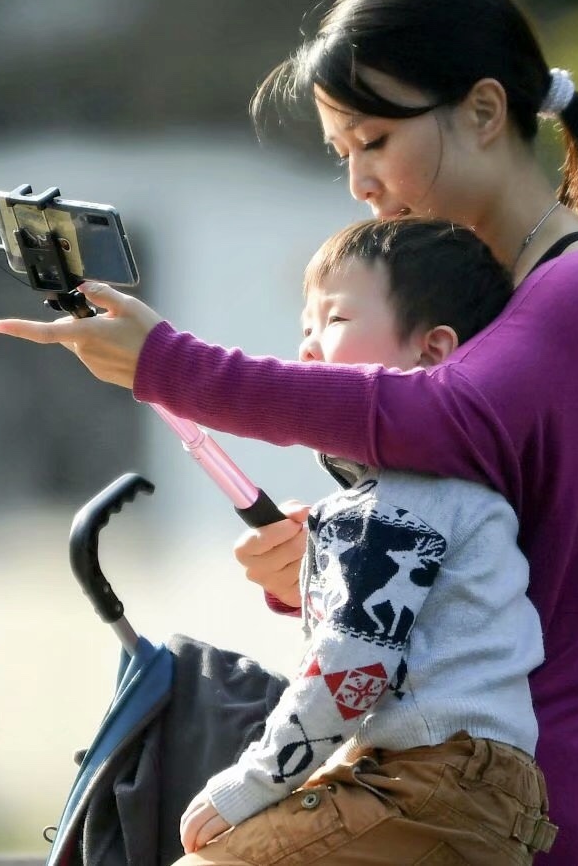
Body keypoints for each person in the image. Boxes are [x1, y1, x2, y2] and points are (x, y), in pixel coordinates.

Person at [0, 0, 578, 865]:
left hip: (537, 806)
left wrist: (170, 364)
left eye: (375, 140)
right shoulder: (495, 304)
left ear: (482, 112)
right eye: (342, 152)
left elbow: (430, 415)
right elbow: (482, 548)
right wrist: (333, 563)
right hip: (455, 792)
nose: (359, 180)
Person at [175, 216, 554, 864]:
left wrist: (245, 788)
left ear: (433, 351)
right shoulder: (452, 489)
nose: (309, 351)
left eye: (336, 321)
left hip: (426, 785)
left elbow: (353, 664)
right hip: (471, 791)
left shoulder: (402, 496)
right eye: (304, 329)